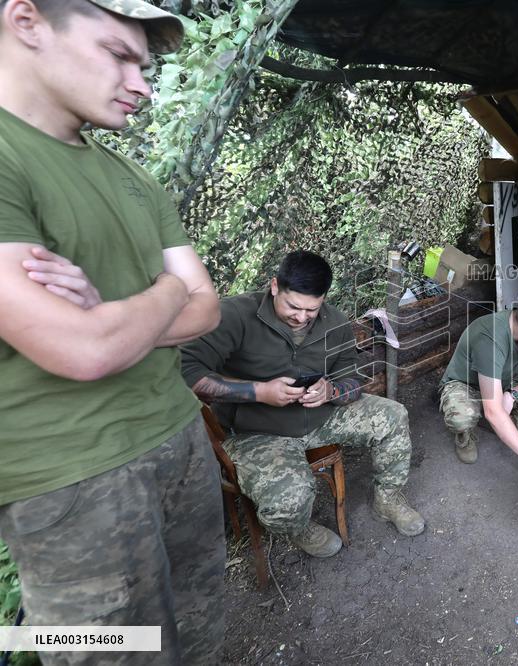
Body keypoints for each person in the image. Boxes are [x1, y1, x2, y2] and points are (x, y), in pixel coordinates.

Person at [0, 0, 225, 662]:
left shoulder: (133, 177)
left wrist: (113, 313)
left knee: (203, 627)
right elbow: (85, 349)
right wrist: (168, 291)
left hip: (178, 437)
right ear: (27, 21)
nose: (142, 83)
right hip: (68, 478)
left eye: (145, 65)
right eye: (118, 54)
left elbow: (208, 309)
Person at [181, 250, 425, 557]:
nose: (301, 317)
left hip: (321, 417)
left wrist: (331, 391)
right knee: (286, 503)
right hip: (257, 432)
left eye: (311, 309)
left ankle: (387, 499)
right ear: (274, 286)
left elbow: (352, 378)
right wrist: (258, 392)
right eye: (293, 306)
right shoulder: (235, 315)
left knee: (392, 416)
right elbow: (187, 372)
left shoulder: (334, 321)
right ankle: (299, 528)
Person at [439, 289, 518, 488]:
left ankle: (507, 427)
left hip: (503, 382)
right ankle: (465, 437)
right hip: (466, 385)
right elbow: (492, 410)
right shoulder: (490, 336)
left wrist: (512, 394)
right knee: (461, 417)